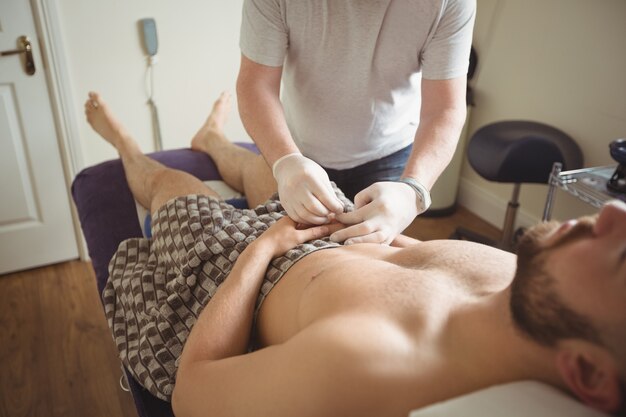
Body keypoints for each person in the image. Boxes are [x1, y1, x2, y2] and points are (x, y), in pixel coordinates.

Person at [85, 92, 625, 417]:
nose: (615, 214)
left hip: (240, 267)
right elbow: (418, 263)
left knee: (175, 186)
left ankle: (124, 144)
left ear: (586, 369)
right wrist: (382, 224)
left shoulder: (370, 364)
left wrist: (263, 247)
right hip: (345, 235)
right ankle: (215, 140)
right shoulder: (515, 279)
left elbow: (192, 391)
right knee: (260, 169)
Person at [237, 0, 476, 245]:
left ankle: (212, 137)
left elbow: (444, 109)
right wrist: (285, 161)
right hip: (299, 148)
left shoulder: (450, 3)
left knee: (374, 247)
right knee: (251, 177)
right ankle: (212, 138)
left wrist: (413, 190)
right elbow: (256, 84)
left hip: (388, 152)